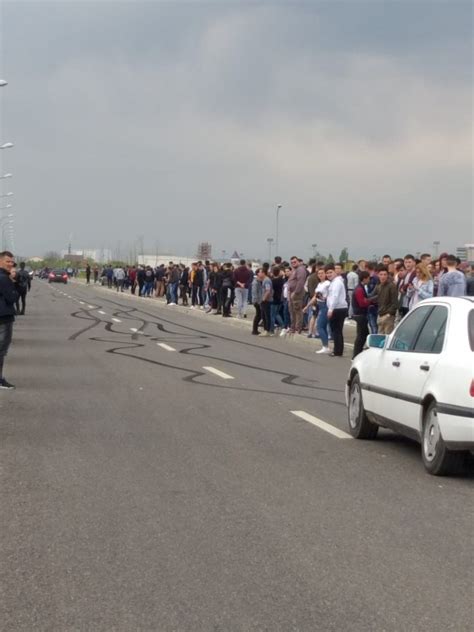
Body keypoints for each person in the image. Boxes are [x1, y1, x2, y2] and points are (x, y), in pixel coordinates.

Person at [0, 251, 17, 389]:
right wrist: (13, 281)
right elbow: (12, 298)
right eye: (7, 261)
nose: (11, 264)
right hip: (3, 318)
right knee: (1, 350)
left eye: (12, 262)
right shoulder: (4, 278)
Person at [304, 267, 331, 354]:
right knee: (322, 326)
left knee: (319, 326)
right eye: (319, 274)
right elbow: (314, 297)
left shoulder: (328, 283)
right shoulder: (319, 284)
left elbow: (329, 295)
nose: (320, 275)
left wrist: (323, 298)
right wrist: (306, 306)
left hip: (325, 305)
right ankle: (326, 346)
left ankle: (325, 346)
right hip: (319, 305)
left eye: (322, 273)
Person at [326, 264, 348, 357]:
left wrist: (330, 310)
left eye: (330, 272)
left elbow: (335, 296)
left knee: (336, 330)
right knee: (337, 330)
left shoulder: (337, 282)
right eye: (327, 273)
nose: (329, 274)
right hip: (337, 308)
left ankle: (337, 351)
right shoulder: (334, 282)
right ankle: (338, 350)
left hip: (337, 309)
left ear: (335, 272)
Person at [371, 266, 399, 334]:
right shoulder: (379, 286)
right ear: (378, 275)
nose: (383, 276)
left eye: (385, 274)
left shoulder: (391, 286)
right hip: (380, 314)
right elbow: (372, 296)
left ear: (387, 275)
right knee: (380, 337)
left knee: (387, 337)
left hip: (388, 316)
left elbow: (395, 302)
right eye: (381, 274)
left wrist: (388, 314)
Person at [351, 271, 371, 358]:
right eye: (368, 278)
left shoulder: (360, 287)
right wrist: (370, 302)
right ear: (365, 278)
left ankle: (357, 352)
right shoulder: (359, 289)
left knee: (363, 334)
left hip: (360, 314)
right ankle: (356, 353)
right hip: (360, 314)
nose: (369, 280)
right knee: (361, 335)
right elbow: (362, 303)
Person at [287, 255, 306, 334]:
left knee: (297, 311)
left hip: (297, 293)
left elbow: (300, 282)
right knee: (292, 311)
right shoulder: (294, 270)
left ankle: (298, 328)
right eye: (292, 263)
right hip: (291, 293)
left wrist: (295, 292)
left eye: (295, 262)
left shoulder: (300, 270)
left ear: (298, 262)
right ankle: (293, 327)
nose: (293, 263)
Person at [259, 267, 274, 335]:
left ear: (263, 273)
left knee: (266, 316)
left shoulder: (267, 280)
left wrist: (264, 299)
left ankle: (267, 330)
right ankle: (265, 329)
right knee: (264, 315)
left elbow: (268, 290)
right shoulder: (264, 280)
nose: (258, 274)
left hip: (267, 300)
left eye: (260, 272)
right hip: (265, 300)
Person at [251, 270, 263, 335]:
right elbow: (254, 292)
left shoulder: (260, 281)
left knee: (259, 315)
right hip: (257, 301)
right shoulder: (255, 282)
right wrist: (256, 301)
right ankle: (254, 330)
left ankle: (255, 329)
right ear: (258, 273)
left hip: (259, 300)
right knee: (258, 315)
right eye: (260, 272)